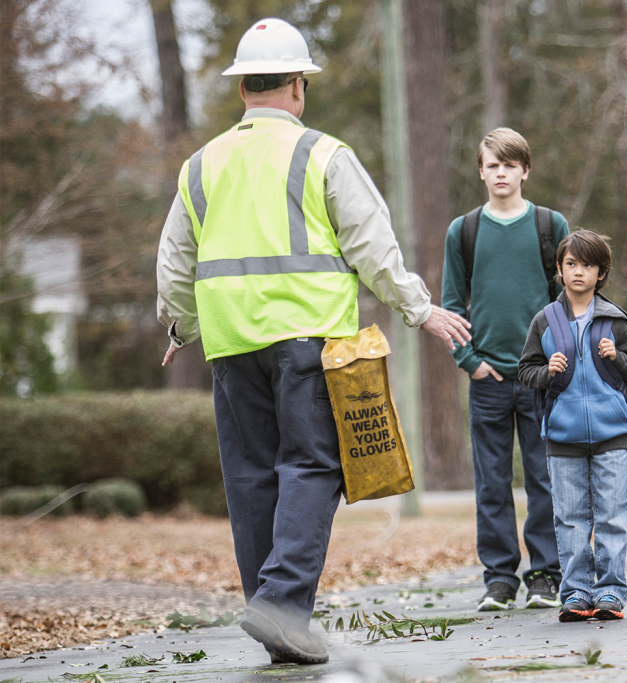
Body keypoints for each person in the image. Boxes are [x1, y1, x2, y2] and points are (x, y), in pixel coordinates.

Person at [156, 18, 471, 665]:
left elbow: (174, 260)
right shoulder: (322, 154)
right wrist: (421, 308)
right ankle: (280, 604)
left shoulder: (200, 165)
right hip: (306, 337)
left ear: (243, 86)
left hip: (229, 343)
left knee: (250, 478)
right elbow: (371, 245)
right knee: (314, 465)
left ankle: (280, 626)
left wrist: (180, 325)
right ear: (297, 86)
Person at [441, 128, 569, 611]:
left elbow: (568, 298)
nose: (501, 173)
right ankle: (499, 580)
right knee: (491, 482)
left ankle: (545, 576)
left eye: (509, 165)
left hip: (541, 379)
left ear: (524, 171)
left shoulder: (549, 224)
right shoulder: (465, 230)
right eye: (492, 165)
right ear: (480, 171)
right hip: (489, 380)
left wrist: (560, 359)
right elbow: (453, 303)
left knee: (544, 478)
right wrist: (468, 362)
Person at [518, 230, 627, 622]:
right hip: (562, 437)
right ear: (559, 269)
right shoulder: (545, 320)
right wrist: (547, 371)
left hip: (612, 435)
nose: (578, 272)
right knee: (570, 519)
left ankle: (610, 592)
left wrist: (617, 359)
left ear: (601, 273)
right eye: (571, 264)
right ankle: (576, 593)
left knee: (611, 516)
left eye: (587, 265)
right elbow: (525, 370)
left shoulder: (614, 320)